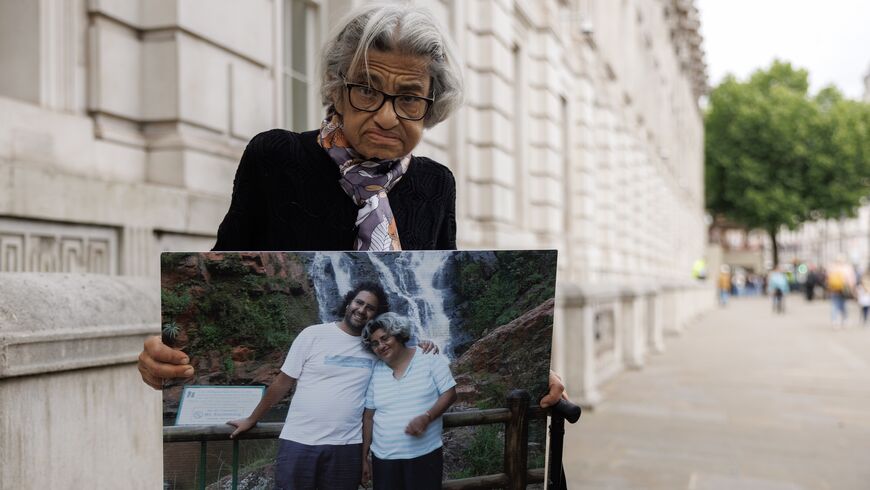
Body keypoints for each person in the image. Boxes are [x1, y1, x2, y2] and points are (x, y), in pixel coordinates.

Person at [137, 3, 567, 408]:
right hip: (318, 404)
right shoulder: (276, 157)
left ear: (430, 108)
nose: (385, 116)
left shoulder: (435, 184)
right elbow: (213, 279)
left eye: (409, 98)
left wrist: (531, 377)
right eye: (367, 89)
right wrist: (166, 353)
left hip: (400, 405)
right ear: (336, 89)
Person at [225, 283, 392, 489]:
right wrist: (252, 418)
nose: (362, 310)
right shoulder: (313, 334)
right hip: (299, 442)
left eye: (370, 308)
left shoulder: (374, 349)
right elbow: (283, 382)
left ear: (375, 315)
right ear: (349, 303)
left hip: (347, 447)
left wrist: (421, 347)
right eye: (359, 302)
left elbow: (401, 353)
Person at [361, 313, 456, 489]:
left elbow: (450, 394)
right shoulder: (376, 371)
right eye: (375, 343)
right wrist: (363, 457)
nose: (381, 346)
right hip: (384, 460)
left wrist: (427, 417)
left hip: (425, 456)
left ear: (398, 334)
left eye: (385, 338)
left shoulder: (429, 357)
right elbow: (368, 417)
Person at [827, 255, 856, 328]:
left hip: (834, 289)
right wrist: (852, 289)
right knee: (843, 305)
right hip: (843, 290)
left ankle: (834, 321)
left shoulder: (832, 267)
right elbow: (852, 280)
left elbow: (828, 279)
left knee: (834, 305)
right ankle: (845, 319)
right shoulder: (847, 268)